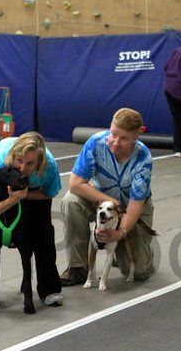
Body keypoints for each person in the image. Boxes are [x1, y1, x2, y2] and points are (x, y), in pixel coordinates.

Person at [59, 108, 155, 286]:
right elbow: (75, 183)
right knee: (70, 201)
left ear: (136, 137)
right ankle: (78, 267)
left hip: (133, 206)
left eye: (124, 138)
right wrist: (110, 202)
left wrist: (120, 232)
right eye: (113, 134)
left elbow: (134, 205)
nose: (116, 142)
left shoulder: (143, 158)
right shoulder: (95, 143)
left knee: (139, 271)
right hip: (103, 201)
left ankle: (134, 251)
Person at [0, 132, 63, 307]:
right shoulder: (0, 163)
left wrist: (24, 195)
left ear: (39, 162)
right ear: (13, 156)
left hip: (32, 190)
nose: (22, 169)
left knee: (43, 228)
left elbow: (49, 193)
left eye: (29, 163)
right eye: (19, 161)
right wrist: (12, 199)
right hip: (2, 178)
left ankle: (49, 288)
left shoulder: (49, 167)